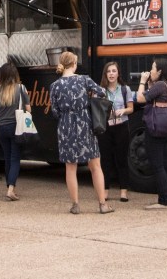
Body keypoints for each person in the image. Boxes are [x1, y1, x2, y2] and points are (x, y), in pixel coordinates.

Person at [49, 51, 114, 215]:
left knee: (70, 168)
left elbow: (55, 112)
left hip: (65, 127)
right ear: (74, 64)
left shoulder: (55, 85)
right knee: (95, 166)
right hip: (85, 124)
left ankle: (75, 204)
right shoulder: (84, 79)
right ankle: (102, 204)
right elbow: (102, 92)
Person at [137, 58, 167, 209]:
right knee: (166, 164)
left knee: (157, 165)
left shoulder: (160, 85)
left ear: (159, 71)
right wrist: (149, 84)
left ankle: (163, 201)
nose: (150, 71)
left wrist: (142, 81)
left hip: (155, 130)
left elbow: (141, 98)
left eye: (153, 68)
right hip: (166, 129)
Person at [0, 62, 30, 202]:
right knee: (15, 158)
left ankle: (9, 187)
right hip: (16, 126)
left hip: (1, 127)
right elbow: (28, 109)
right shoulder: (21, 88)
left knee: (7, 158)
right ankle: (11, 189)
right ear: (15, 75)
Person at [97, 61, 134, 202]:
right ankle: (105, 190)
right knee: (105, 159)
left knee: (121, 159)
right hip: (106, 127)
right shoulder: (101, 90)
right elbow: (97, 109)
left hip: (121, 126)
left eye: (114, 71)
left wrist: (123, 110)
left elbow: (131, 108)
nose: (111, 74)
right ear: (105, 74)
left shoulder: (125, 89)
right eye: (108, 71)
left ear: (118, 73)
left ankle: (123, 191)